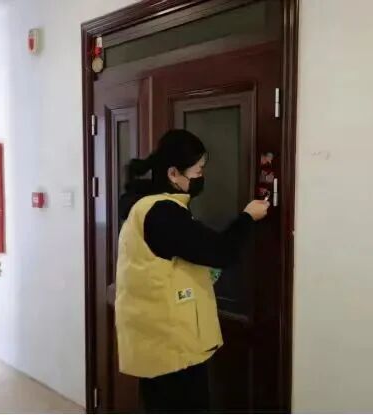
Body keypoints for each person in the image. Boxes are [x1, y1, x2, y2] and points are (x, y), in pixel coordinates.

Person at [115, 129, 269, 413]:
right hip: (170, 343)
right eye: (198, 171)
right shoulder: (163, 213)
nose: (202, 176)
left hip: (155, 337)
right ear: (173, 174)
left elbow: (179, 255)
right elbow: (221, 250)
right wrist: (248, 217)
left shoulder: (147, 206)